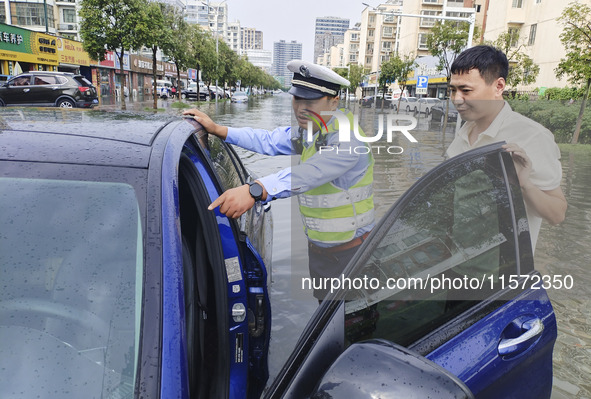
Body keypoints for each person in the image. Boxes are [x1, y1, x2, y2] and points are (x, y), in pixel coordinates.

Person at [183, 60, 374, 300]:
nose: (301, 108)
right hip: (322, 254)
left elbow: (310, 173)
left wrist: (255, 190)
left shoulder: (348, 138)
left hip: (352, 255)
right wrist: (220, 129)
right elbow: (270, 140)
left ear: (333, 100)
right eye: (297, 99)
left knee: (355, 327)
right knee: (329, 323)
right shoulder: (313, 130)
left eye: (310, 101)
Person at [446, 45, 567, 251]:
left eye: (466, 90)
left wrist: (524, 184)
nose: (457, 99)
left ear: (498, 86)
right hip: (457, 261)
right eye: (453, 90)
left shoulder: (532, 136)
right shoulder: (463, 132)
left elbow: (557, 214)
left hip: (504, 272)